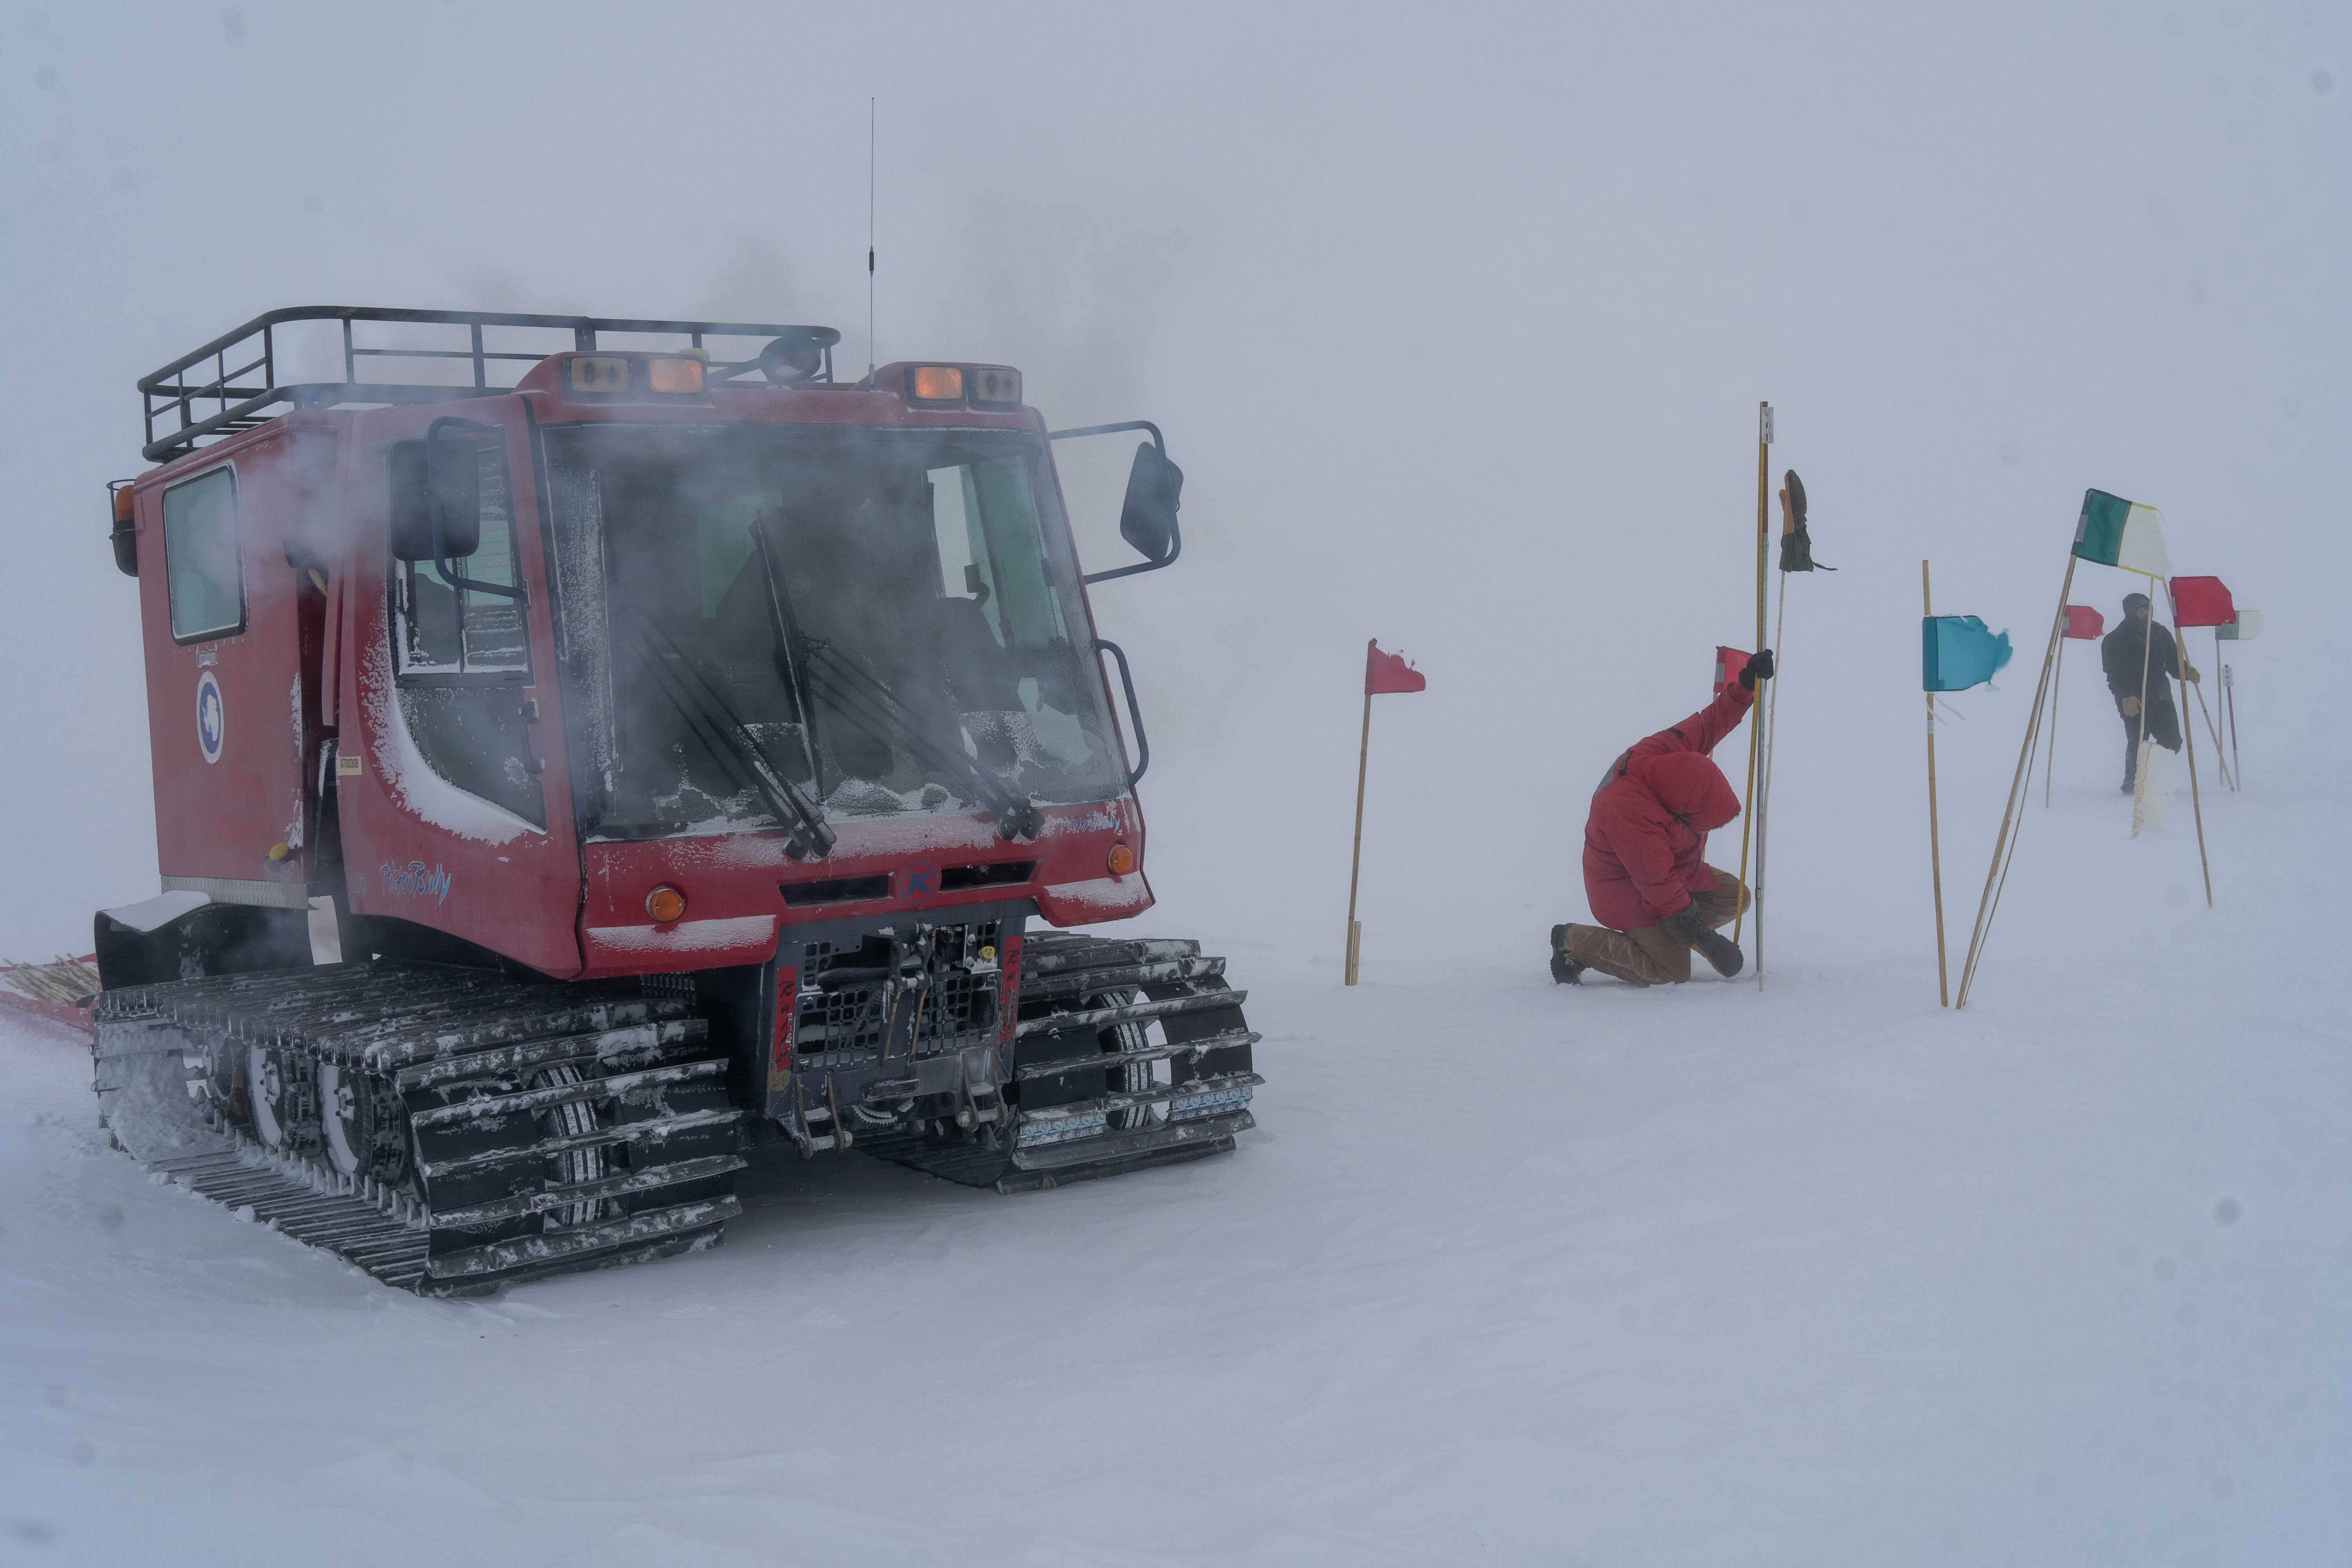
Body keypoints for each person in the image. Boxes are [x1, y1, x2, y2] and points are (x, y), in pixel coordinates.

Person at [1549, 650, 1771, 987]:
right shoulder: (1630, 812)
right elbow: (1658, 884)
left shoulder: (1664, 754)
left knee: (1735, 898)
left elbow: (1708, 724)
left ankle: (1667, 937)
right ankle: (1574, 940)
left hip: (1672, 874)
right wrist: (1702, 937)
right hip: (1625, 892)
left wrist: (1744, 688)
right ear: (1682, 810)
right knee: (1672, 973)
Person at [2100, 592, 2197, 792]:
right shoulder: (2117, 638)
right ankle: (2133, 782)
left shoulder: (2161, 633)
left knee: (2173, 741)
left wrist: (2185, 670)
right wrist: (2125, 695)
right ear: (2130, 612)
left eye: (2148, 608)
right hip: (2134, 698)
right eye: (2140, 609)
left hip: (2162, 695)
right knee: (2138, 741)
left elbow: (2172, 662)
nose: (2145, 612)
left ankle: (2152, 777)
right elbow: (2114, 671)